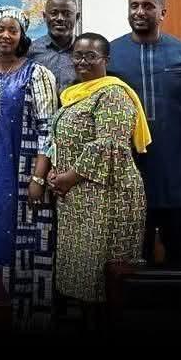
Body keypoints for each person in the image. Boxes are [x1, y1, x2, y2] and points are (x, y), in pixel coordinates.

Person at [0, 8, 59, 326]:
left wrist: (38, 177)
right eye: (0, 30)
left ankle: (22, 317)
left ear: (22, 36)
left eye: (13, 30)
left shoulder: (37, 74)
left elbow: (49, 129)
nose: (6, 35)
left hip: (24, 174)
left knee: (23, 240)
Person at [108, 0, 181, 264]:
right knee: (132, 260)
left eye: (148, 6)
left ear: (162, 13)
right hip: (129, 174)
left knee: (180, 256)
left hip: (176, 172)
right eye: (134, 6)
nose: (140, 11)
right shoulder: (111, 54)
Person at [47, 33, 150, 306]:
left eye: (90, 56)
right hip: (77, 197)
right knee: (81, 273)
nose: (82, 61)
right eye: (77, 55)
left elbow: (108, 145)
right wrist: (54, 171)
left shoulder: (113, 93)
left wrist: (68, 178)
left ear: (106, 60)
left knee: (102, 277)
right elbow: (59, 139)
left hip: (107, 197)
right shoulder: (74, 94)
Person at [26, 0, 80, 93]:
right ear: (44, 16)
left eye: (67, 14)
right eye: (54, 13)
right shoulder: (30, 50)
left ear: (77, 17)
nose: (60, 18)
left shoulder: (85, 52)